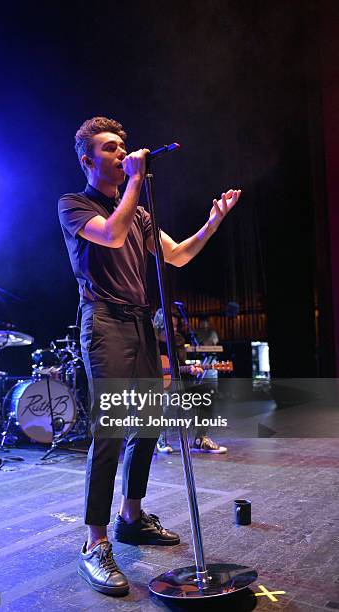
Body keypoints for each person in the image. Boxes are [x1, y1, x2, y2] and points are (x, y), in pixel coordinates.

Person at [58, 116, 240, 596]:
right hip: (104, 323)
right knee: (112, 430)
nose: (123, 154)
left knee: (147, 425)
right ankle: (94, 543)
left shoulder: (137, 211)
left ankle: (130, 517)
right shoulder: (74, 205)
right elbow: (111, 236)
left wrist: (213, 221)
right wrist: (136, 181)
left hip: (140, 321)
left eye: (124, 147)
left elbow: (177, 255)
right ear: (87, 160)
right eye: (112, 149)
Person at [154, 306, 227, 454]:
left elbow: (180, 369)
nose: (173, 329)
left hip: (176, 385)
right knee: (168, 396)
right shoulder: (150, 342)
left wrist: (192, 371)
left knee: (207, 391)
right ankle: (159, 437)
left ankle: (200, 439)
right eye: (170, 326)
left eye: (175, 326)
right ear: (161, 325)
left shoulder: (177, 341)